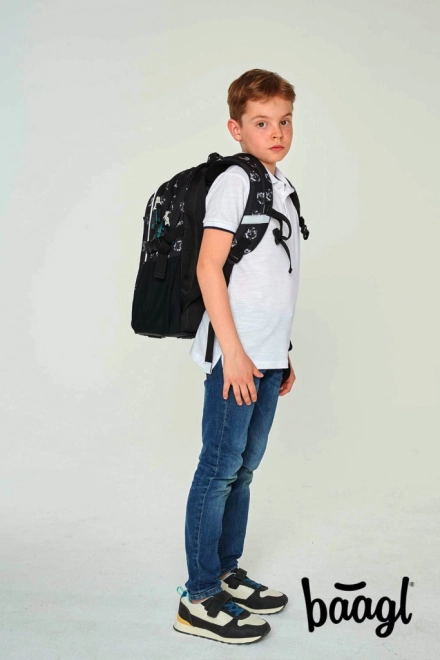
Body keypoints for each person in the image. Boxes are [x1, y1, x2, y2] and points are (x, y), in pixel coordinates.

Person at [173, 68, 300, 645]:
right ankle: (199, 597)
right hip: (236, 357)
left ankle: (225, 573)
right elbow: (209, 268)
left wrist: (282, 352)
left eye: (284, 121)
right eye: (262, 122)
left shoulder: (281, 186)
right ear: (236, 129)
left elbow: (270, 280)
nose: (276, 132)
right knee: (219, 469)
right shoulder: (235, 181)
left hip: (266, 357)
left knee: (243, 469)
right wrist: (235, 355)